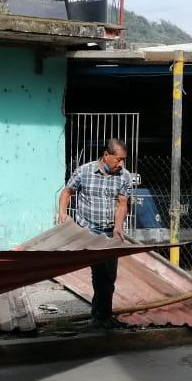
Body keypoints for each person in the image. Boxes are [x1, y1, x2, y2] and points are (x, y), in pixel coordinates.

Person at [57, 138, 132, 330]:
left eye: (123, 160)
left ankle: (102, 316)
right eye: (119, 159)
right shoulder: (84, 171)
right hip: (90, 231)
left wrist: (118, 226)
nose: (121, 164)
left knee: (110, 276)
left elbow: (122, 203)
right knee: (100, 275)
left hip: (109, 233)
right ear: (106, 155)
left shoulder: (124, 176)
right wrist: (62, 213)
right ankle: (100, 318)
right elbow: (67, 192)